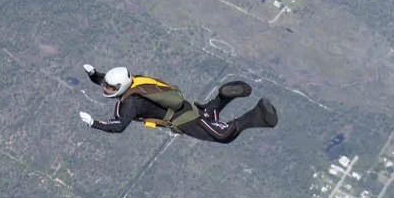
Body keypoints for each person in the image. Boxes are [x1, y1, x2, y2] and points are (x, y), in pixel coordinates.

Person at [80, 65, 277, 140]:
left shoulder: (129, 104)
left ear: (121, 88)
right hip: (184, 107)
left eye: (110, 88)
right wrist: (94, 75)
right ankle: (222, 98)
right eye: (106, 86)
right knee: (208, 116)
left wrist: (94, 123)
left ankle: (259, 115)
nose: (106, 89)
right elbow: (109, 80)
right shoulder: (135, 82)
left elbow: (119, 126)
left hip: (184, 120)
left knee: (224, 135)